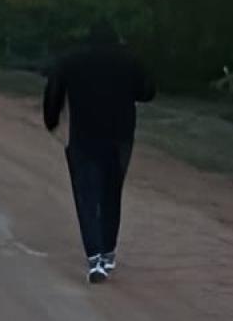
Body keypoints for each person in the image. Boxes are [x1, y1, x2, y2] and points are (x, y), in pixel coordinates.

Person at [43, 19, 156, 284]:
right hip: (120, 138)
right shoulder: (129, 59)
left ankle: (94, 258)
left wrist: (52, 120)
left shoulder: (72, 60)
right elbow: (147, 92)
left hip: (84, 138)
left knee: (86, 196)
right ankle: (108, 251)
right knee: (111, 194)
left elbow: (54, 90)